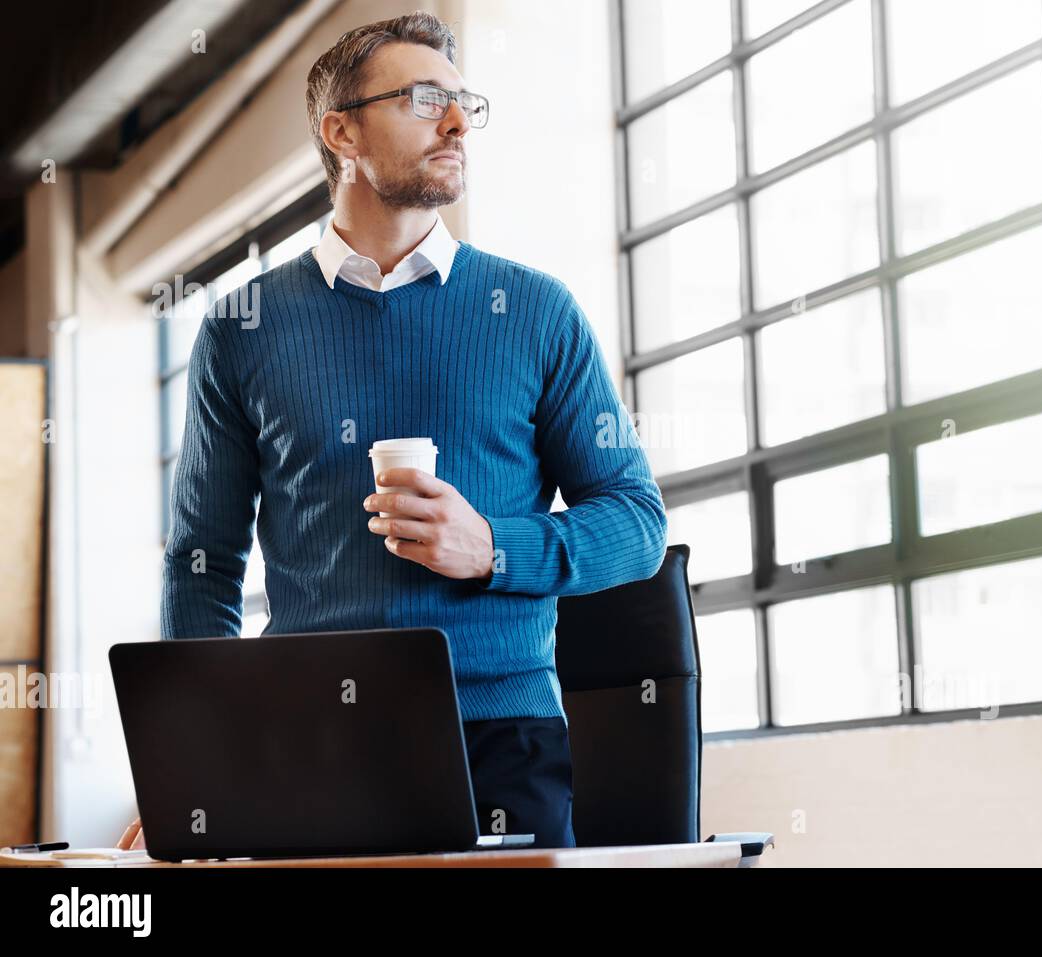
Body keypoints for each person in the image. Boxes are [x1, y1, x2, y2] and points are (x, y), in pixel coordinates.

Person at [116, 11, 665, 853]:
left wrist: (493, 547)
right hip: (301, 741)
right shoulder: (243, 329)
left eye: (461, 103)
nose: (454, 122)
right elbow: (204, 563)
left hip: (502, 743)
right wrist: (191, 761)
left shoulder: (536, 312)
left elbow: (638, 522)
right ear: (342, 133)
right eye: (421, 100)